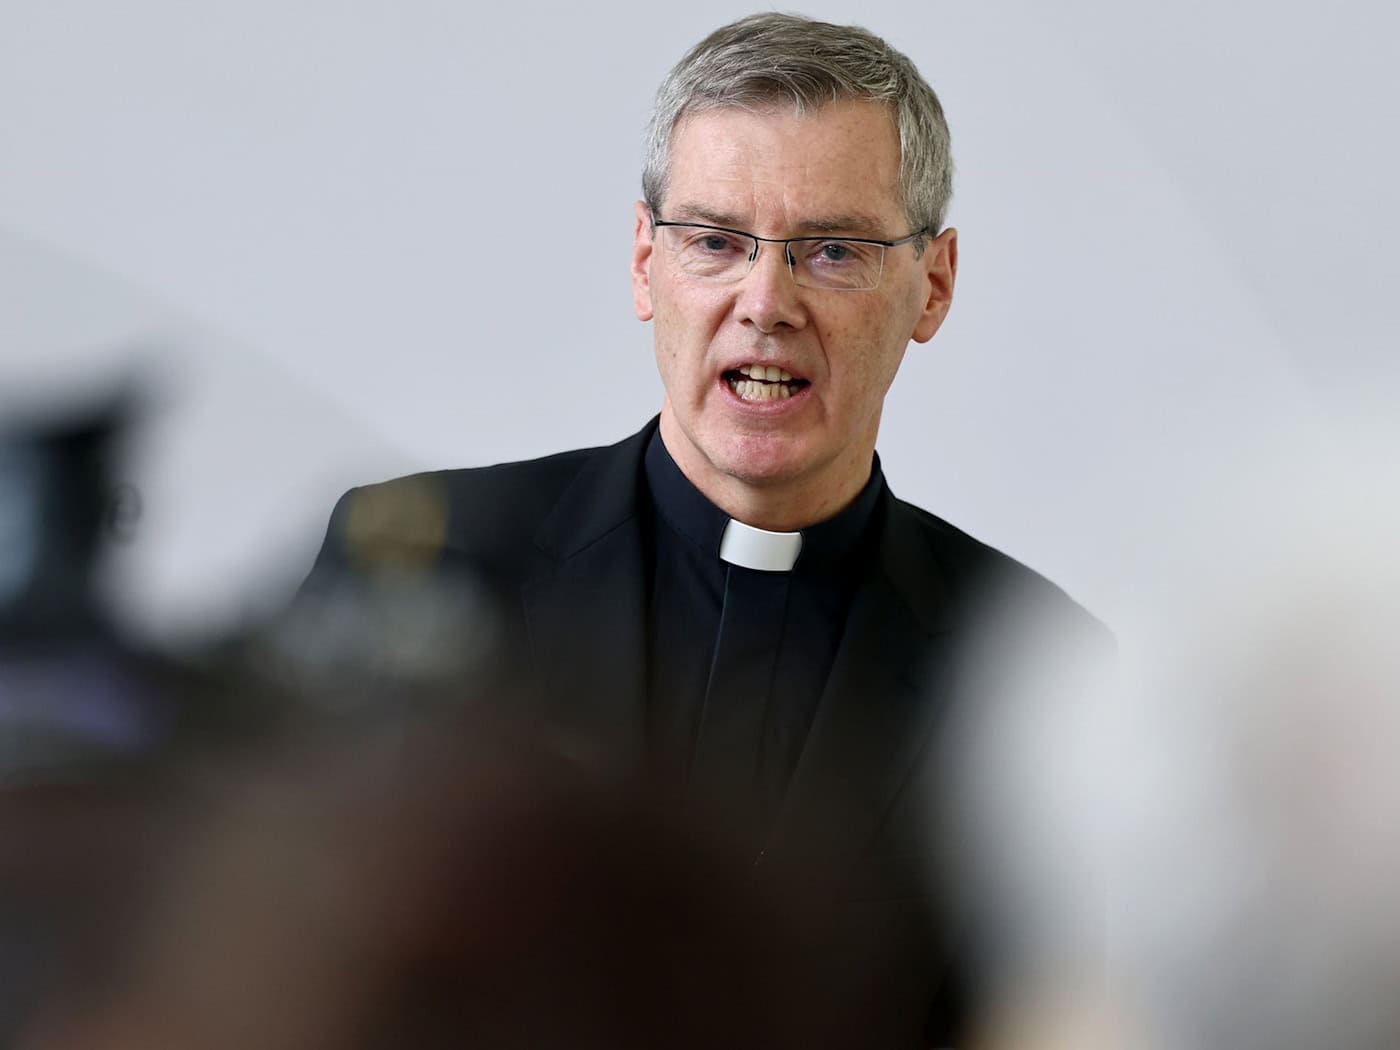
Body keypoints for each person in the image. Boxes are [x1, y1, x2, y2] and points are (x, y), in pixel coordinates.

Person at [302, 13, 1107, 1046]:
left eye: (831, 250)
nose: (763, 302)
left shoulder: (1033, 668)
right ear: (646, 263)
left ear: (932, 285)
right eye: (716, 242)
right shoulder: (423, 560)